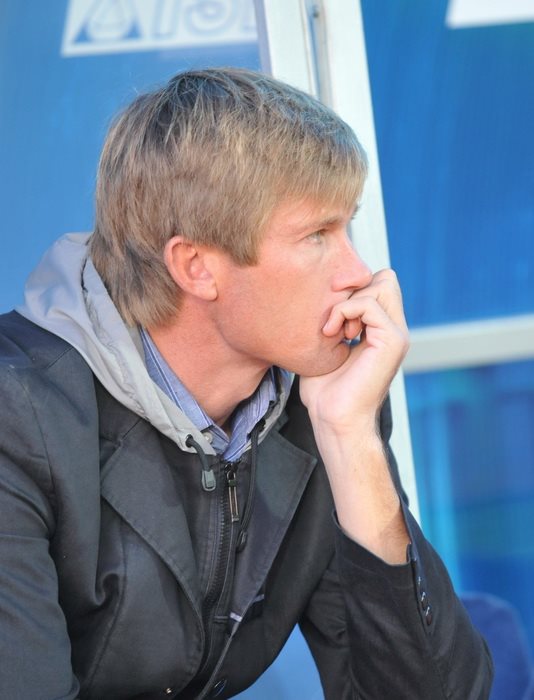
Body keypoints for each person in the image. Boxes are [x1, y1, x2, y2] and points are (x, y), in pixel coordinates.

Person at [0, 67, 492, 699]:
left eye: (347, 228)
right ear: (196, 266)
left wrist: (350, 438)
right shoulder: (16, 417)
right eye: (317, 235)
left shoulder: (319, 406)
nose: (359, 272)